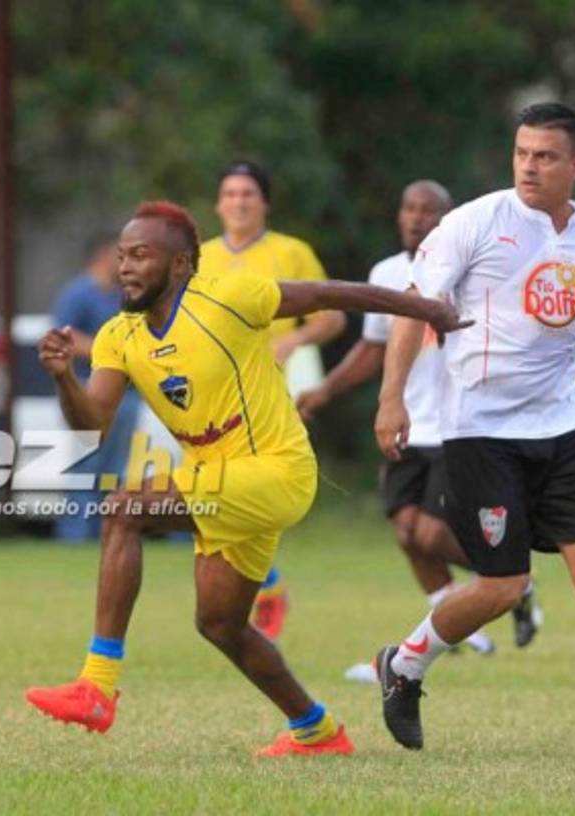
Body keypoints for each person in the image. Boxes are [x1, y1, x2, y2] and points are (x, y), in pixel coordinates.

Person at [24, 200, 467, 757]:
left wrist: (423, 307)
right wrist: (66, 378)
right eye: (121, 256)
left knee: (124, 508)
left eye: (141, 255)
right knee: (220, 624)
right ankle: (317, 730)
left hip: (277, 471)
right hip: (219, 483)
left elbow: (330, 294)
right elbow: (91, 419)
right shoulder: (117, 336)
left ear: (182, 264)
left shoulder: (232, 297)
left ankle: (97, 685)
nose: (126, 267)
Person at [373, 103, 575, 761]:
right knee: (502, 587)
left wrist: (568, 386)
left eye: (545, 156)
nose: (530, 166)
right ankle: (404, 664)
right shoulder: (473, 223)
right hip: (479, 430)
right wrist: (391, 401)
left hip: (563, 428)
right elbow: (410, 311)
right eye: (522, 153)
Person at [297, 181, 543, 668]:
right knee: (406, 532)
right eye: (408, 208)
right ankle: (460, 628)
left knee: (432, 534)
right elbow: (372, 349)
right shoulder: (386, 273)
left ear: (447, 219)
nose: (416, 218)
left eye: (428, 211)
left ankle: (514, 581)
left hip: (457, 426)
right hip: (408, 421)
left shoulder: (470, 268)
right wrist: (325, 391)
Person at [198, 160, 347, 640]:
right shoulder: (198, 258)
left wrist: (293, 341)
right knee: (210, 492)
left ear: (263, 203)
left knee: (258, 483)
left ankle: (262, 588)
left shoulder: (291, 252)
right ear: (219, 204)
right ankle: (264, 586)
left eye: (248, 193)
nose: (239, 201)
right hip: (214, 395)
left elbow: (333, 317)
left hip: (272, 393)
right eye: (230, 193)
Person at [49, 236, 141, 541]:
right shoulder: (78, 293)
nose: (127, 264)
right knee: (86, 466)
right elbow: (64, 335)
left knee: (114, 468)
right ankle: (75, 537)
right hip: (88, 393)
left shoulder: (123, 295)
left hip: (127, 394)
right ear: (103, 256)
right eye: (122, 256)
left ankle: (110, 534)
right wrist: (109, 351)